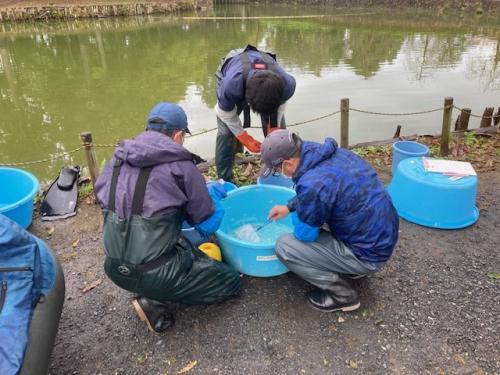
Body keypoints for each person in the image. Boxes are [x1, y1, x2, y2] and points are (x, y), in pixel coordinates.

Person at [94, 102, 241, 333]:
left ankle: (151, 289)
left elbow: (130, 205)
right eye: (183, 137)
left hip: (113, 266)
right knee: (231, 281)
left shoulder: (116, 160)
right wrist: (213, 199)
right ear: (179, 135)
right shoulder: (181, 166)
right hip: (157, 271)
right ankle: (154, 299)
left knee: (171, 243)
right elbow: (207, 224)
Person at [262, 130, 399, 312]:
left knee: (285, 246)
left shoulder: (313, 184)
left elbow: (305, 235)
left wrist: (299, 213)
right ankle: (353, 268)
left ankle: (343, 295)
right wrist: (289, 207)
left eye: (277, 170)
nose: (279, 173)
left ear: (287, 163)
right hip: (382, 236)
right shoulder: (336, 155)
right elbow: (321, 192)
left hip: (369, 255)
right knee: (323, 217)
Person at [215, 44, 296, 182]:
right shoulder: (230, 86)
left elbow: (280, 107)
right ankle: (225, 179)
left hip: (266, 70)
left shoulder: (287, 85)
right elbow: (224, 112)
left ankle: (276, 171)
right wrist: (245, 138)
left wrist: (274, 129)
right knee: (226, 133)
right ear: (248, 100)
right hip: (233, 65)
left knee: (278, 135)